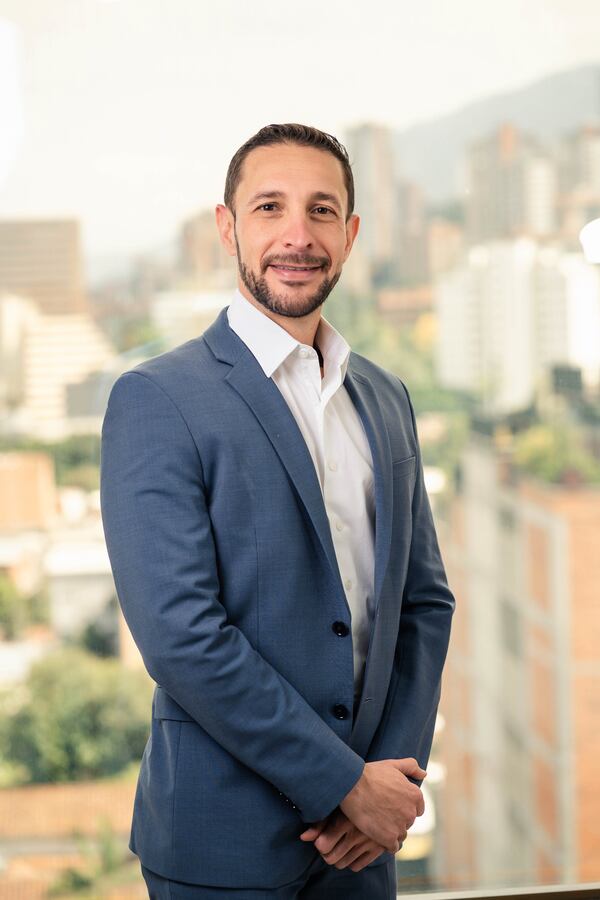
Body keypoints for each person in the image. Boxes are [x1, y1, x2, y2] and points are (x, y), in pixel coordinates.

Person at [100, 123, 455, 899]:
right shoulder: (156, 399)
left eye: (321, 210)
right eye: (270, 208)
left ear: (350, 234)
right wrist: (343, 785)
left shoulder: (385, 397)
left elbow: (423, 602)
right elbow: (182, 637)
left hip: (364, 852)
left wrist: (387, 785)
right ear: (228, 228)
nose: (298, 235)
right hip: (222, 852)